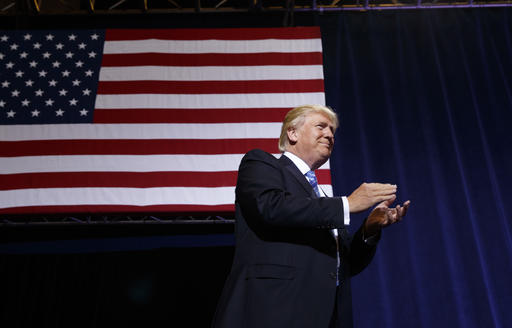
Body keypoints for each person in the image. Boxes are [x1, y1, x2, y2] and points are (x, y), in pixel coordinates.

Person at [212, 104, 410, 328]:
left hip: (327, 315)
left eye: (332, 130)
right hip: (275, 310)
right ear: (292, 133)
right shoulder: (261, 164)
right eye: (321, 126)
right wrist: (347, 203)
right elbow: (271, 208)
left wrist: (369, 229)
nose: (329, 134)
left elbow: (344, 265)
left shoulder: (322, 195)